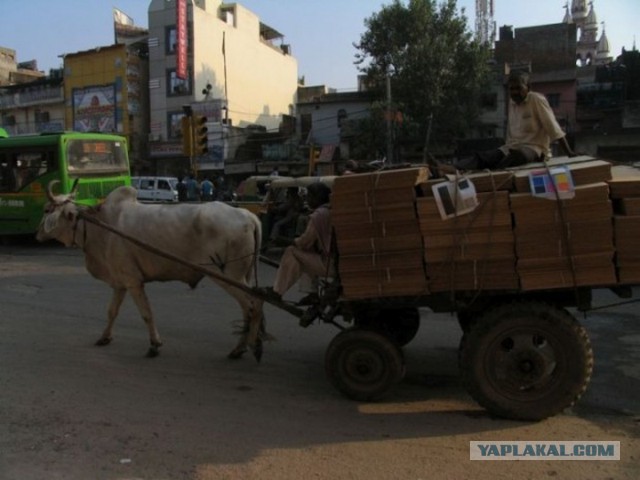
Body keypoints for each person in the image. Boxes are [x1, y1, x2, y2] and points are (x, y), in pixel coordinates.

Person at [436, 70, 577, 174]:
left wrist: (570, 153)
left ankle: (490, 174)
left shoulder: (536, 100)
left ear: (528, 87)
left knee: (517, 156)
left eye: (518, 88)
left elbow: (554, 129)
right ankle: (452, 168)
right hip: (511, 147)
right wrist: (503, 150)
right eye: (511, 89)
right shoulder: (512, 103)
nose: (515, 92)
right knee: (486, 156)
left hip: (534, 149)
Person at [262, 183, 334, 304]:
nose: (307, 199)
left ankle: (277, 291)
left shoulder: (318, 216)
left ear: (317, 198)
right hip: (333, 261)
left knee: (291, 251)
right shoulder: (330, 210)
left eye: (310, 196)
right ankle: (312, 293)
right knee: (306, 255)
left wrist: (283, 240)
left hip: (329, 264)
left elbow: (304, 242)